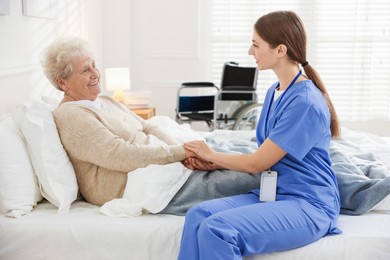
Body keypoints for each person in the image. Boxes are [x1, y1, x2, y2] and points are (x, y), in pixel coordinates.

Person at [179, 10, 341, 259]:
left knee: (217, 229)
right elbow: (266, 155)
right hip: (276, 195)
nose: (249, 51)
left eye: (255, 44)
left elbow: (258, 162)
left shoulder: (305, 102)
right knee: (198, 215)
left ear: (280, 50)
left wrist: (212, 154)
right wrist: (212, 161)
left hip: (309, 204)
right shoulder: (274, 91)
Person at [40, 37, 261, 214]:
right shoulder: (70, 116)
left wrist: (184, 149)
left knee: (251, 155)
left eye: (94, 65)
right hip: (137, 182)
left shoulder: (104, 101)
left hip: (162, 161)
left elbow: (147, 126)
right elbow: (120, 155)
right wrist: (181, 152)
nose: (95, 74)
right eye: (85, 70)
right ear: (62, 82)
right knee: (252, 179)